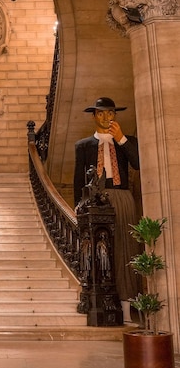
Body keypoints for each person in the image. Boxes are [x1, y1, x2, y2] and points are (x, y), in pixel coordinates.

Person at [73, 97, 141, 323]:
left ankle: (126, 307)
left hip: (121, 196)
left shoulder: (127, 141)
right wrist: (77, 204)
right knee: (98, 253)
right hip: (95, 200)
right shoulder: (83, 146)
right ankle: (96, 304)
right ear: (94, 116)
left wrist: (120, 139)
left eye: (110, 113)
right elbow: (78, 179)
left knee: (126, 248)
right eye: (101, 113)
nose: (105, 117)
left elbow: (138, 163)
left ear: (115, 116)